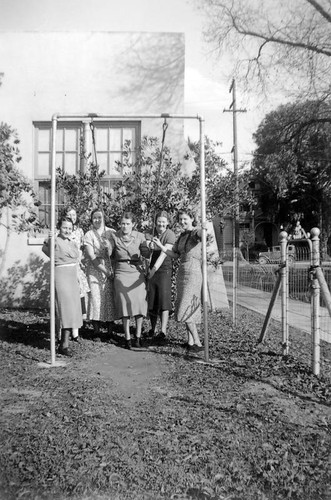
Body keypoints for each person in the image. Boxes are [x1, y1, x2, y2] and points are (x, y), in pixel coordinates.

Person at [153, 209, 204, 353]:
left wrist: (203, 228)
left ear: (192, 218)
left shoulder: (195, 232)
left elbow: (201, 234)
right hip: (182, 272)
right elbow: (174, 254)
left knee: (186, 307)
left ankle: (198, 344)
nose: (182, 222)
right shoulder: (181, 236)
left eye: (185, 219)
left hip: (193, 271)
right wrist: (162, 246)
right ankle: (190, 341)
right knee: (186, 305)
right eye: (180, 219)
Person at [107, 211, 152, 349]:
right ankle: (127, 338)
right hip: (121, 271)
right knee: (123, 302)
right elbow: (109, 253)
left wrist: (149, 246)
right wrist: (107, 247)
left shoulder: (140, 236)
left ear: (133, 224)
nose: (125, 226)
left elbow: (146, 253)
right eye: (122, 224)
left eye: (127, 224)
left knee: (139, 302)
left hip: (136, 272)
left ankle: (137, 337)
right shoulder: (114, 236)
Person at [42, 216, 83, 356]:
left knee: (72, 309)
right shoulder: (55, 240)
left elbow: (76, 259)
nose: (67, 230)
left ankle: (64, 343)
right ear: (59, 227)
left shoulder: (71, 242)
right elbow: (46, 250)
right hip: (61, 275)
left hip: (72, 276)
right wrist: (49, 240)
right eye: (65, 227)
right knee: (64, 309)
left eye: (70, 228)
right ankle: (63, 344)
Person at [84, 208, 115, 338]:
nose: (97, 220)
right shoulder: (89, 235)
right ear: (91, 219)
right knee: (96, 298)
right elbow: (91, 256)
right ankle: (96, 331)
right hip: (95, 269)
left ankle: (109, 330)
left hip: (109, 266)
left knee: (109, 298)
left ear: (104, 218)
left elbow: (114, 253)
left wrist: (109, 248)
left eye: (99, 217)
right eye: (94, 217)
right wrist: (106, 271)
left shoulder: (111, 232)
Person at [147, 211, 176, 345]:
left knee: (164, 300)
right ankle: (152, 329)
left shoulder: (169, 234)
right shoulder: (151, 232)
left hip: (163, 269)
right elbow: (147, 251)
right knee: (152, 300)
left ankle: (163, 331)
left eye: (164, 222)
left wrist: (152, 271)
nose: (161, 224)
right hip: (152, 268)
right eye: (159, 221)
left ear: (168, 223)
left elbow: (163, 255)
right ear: (155, 222)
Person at [64, 206, 90, 342]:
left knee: (79, 297)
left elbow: (82, 248)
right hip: (67, 266)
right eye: (69, 215)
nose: (72, 217)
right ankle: (66, 331)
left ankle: (76, 331)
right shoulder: (62, 230)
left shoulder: (80, 231)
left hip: (78, 266)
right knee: (69, 299)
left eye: (74, 215)